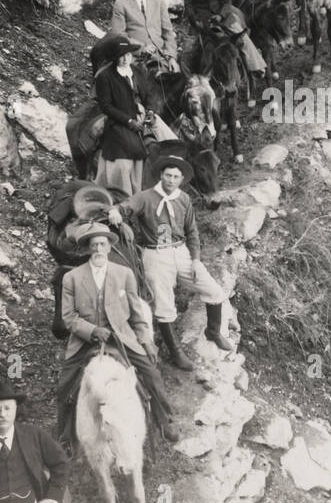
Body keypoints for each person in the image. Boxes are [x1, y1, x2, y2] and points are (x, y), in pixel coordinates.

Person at [57, 223, 179, 445]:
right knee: (66, 385)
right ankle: (65, 437)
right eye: (93, 245)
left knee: (151, 373)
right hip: (85, 341)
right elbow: (68, 318)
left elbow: (136, 314)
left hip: (122, 337)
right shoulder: (72, 278)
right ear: (86, 249)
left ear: (109, 248)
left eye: (102, 244)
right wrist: (92, 330)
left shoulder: (125, 274)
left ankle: (165, 419)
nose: (98, 249)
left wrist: (146, 341)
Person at [116, 153, 234, 371]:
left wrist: (196, 260)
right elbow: (124, 208)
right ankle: (175, 352)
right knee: (163, 304)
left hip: (180, 251)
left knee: (214, 291)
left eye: (176, 177)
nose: (171, 180)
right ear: (161, 175)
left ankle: (214, 331)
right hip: (156, 253)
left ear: (181, 179)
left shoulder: (183, 199)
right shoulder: (145, 197)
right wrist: (116, 214)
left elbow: (192, 232)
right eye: (168, 175)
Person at [94, 37, 151, 197]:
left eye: (128, 54)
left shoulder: (138, 72)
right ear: (115, 57)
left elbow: (148, 96)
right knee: (130, 149)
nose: (126, 59)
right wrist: (129, 121)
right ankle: (126, 193)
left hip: (143, 116)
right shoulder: (105, 76)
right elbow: (106, 106)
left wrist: (151, 111)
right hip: (119, 120)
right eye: (121, 56)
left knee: (166, 140)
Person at [109, 0, 178, 73]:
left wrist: (171, 57)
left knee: (176, 80)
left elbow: (168, 32)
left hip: (160, 55)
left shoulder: (158, 2)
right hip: (134, 56)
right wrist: (141, 47)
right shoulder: (121, 4)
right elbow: (118, 35)